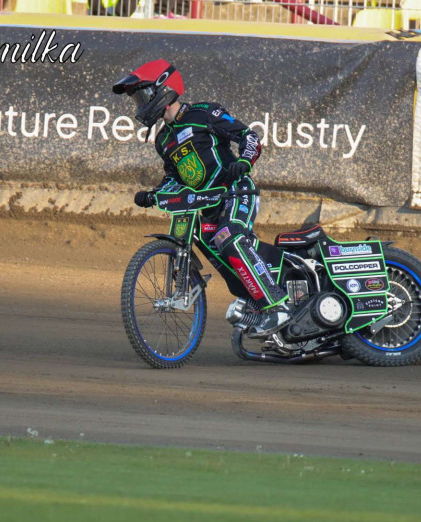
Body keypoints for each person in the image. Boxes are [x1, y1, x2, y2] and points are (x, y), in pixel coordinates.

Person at [112, 59, 291, 338]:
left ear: (164, 90)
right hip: (205, 206)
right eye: (137, 99)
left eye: (142, 95)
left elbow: (248, 136)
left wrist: (244, 162)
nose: (140, 104)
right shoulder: (162, 141)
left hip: (235, 192)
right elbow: (174, 177)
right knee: (215, 252)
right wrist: (155, 194)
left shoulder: (204, 113)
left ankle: (278, 306)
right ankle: (255, 301)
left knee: (229, 238)